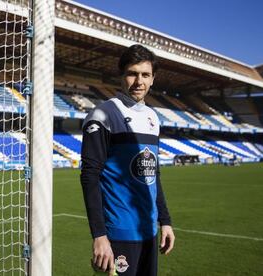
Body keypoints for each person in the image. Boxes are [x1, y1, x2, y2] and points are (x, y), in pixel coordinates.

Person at [80, 44, 175, 276]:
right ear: (121, 76)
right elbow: (89, 175)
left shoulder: (153, 117)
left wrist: (165, 221)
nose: (139, 81)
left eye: (145, 75)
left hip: (149, 231)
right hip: (118, 234)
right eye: (132, 73)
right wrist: (99, 236)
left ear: (153, 79)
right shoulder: (103, 114)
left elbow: (153, 175)